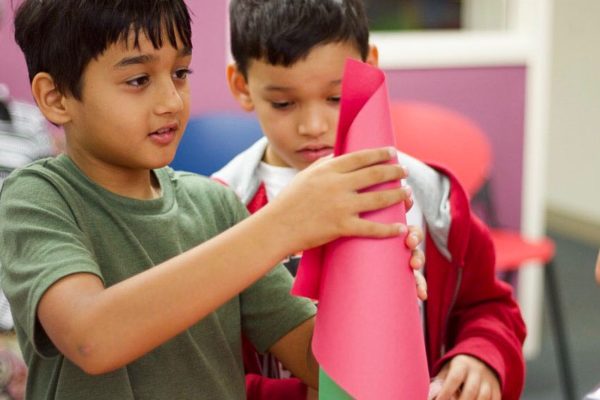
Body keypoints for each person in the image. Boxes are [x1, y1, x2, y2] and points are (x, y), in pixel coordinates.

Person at [0, 1, 417, 399]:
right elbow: (91, 338)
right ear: (56, 98)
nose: (171, 101)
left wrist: (375, 274)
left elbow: (320, 364)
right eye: (138, 80)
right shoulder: (35, 198)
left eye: (180, 72)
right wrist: (282, 225)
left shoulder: (216, 207)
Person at [214, 1, 527, 399]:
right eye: (283, 103)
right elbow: (203, 370)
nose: (313, 126)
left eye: (335, 97)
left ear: (370, 67)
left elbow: (489, 307)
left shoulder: (432, 199)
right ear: (242, 85)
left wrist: (481, 356)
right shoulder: (220, 214)